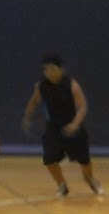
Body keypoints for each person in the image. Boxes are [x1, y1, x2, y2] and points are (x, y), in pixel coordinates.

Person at [22, 53, 102, 198]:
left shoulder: (72, 84)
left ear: (61, 69)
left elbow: (83, 106)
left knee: (84, 160)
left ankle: (90, 179)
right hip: (54, 127)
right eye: (46, 70)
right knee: (49, 159)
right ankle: (62, 185)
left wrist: (75, 124)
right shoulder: (42, 86)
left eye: (52, 69)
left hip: (73, 126)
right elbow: (33, 101)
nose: (49, 73)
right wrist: (27, 117)